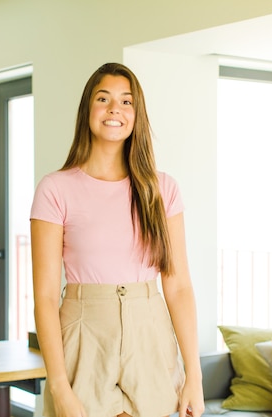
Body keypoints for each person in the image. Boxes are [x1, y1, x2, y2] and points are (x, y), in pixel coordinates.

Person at [30, 62, 204, 417]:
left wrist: (194, 376)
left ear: (137, 115)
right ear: (87, 110)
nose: (115, 109)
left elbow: (179, 286)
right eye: (103, 98)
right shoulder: (55, 189)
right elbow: (46, 297)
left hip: (150, 333)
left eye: (127, 102)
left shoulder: (162, 189)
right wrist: (59, 385)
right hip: (83, 334)